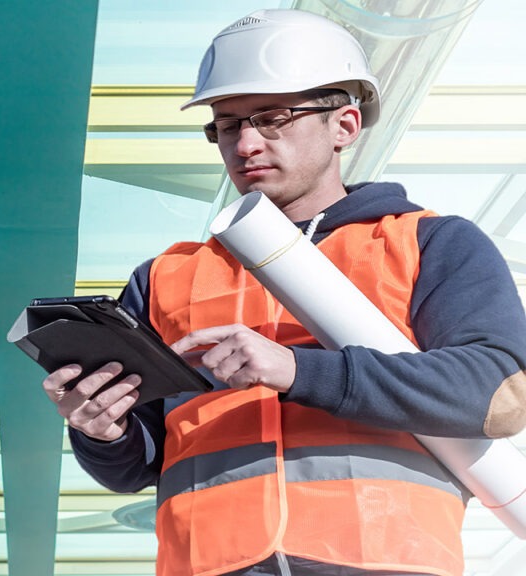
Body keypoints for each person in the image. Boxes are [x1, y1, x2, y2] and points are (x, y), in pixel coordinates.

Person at [41, 9, 526, 576]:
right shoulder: (163, 278)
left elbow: (498, 395)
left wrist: (299, 371)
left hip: (383, 559)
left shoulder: (428, 242)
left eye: (273, 118)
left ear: (344, 125)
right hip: (207, 564)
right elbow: (135, 467)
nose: (246, 142)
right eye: (227, 124)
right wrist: (101, 429)